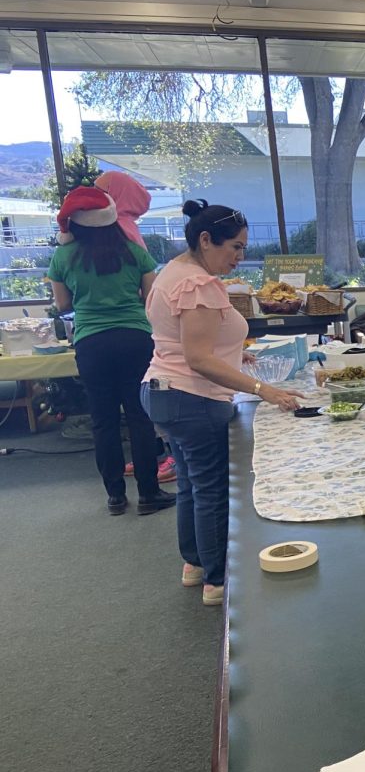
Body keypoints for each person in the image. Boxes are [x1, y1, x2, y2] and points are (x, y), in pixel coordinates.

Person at [140, 200, 301, 607]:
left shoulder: (172, 272)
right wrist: (263, 389)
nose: (239, 257)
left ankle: (195, 565)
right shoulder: (200, 284)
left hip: (163, 390)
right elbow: (198, 358)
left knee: (192, 485)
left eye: (244, 248)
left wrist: (235, 352)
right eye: (234, 247)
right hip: (191, 397)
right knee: (212, 488)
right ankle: (217, 580)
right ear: (206, 239)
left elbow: (182, 340)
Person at [47, 186, 175, 516]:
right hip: (134, 338)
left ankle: (115, 496)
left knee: (103, 421)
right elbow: (150, 298)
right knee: (139, 416)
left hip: (92, 342)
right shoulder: (134, 251)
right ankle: (149, 493)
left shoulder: (63, 257)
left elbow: (62, 304)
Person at [97, 169, 178, 484]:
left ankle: (158, 463)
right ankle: (150, 470)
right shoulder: (127, 229)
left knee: (128, 408)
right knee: (138, 405)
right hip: (134, 328)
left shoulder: (118, 230)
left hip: (117, 329)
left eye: (101, 190)